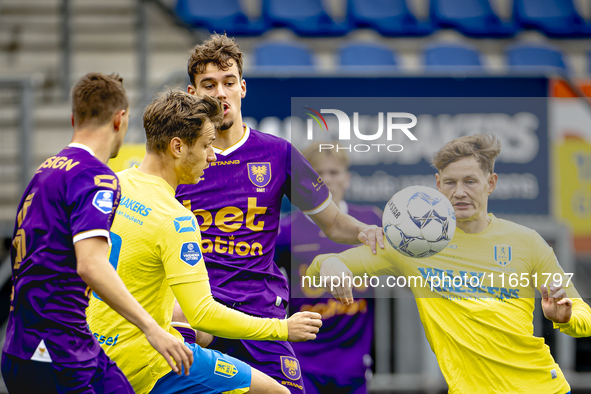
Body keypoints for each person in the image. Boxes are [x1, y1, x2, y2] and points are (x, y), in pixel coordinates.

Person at [175, 33, 384, 393]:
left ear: (242, 88)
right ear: (193, 93)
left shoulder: (278, 153)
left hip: (261, 315)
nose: (220, 93)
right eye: (209, 85)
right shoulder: (178, 159)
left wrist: (363, 231)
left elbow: (332, 221)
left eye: (228, 83)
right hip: (200, 315)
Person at [307, 134, 591, 393]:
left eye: (470, 181)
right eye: (450, 182)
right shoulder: (411, 244)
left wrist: (564, 318)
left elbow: (584, 317)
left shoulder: (527, 242)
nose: (459, 192)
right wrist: (327, 261)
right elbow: (317, 270)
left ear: (490, 183)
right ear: (438, 184)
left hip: (542, 388)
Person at [87, 90, 322, 394]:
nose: (212, 156)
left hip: (92, 351)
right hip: (145, 362)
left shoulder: (111, 184)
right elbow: (204, 313)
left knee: (186, 322)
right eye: (206, 145)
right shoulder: (176, 219)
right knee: (277, 391)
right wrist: (283, 328)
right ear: (177, 147)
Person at [1, 73, 192, 394]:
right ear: (120, 120)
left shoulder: (45, 171)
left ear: (74, 117)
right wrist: (152, 329)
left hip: (33, 345)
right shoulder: (95, 179)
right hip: (57, 352)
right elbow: (90, 265)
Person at [275, 146, 382, 394]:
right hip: (305, 356)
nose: (327, 179)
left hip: (354, 358)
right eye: (318, 173)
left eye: (334, 172)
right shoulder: (288, 229)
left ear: (347, 177)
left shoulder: (369, 222)